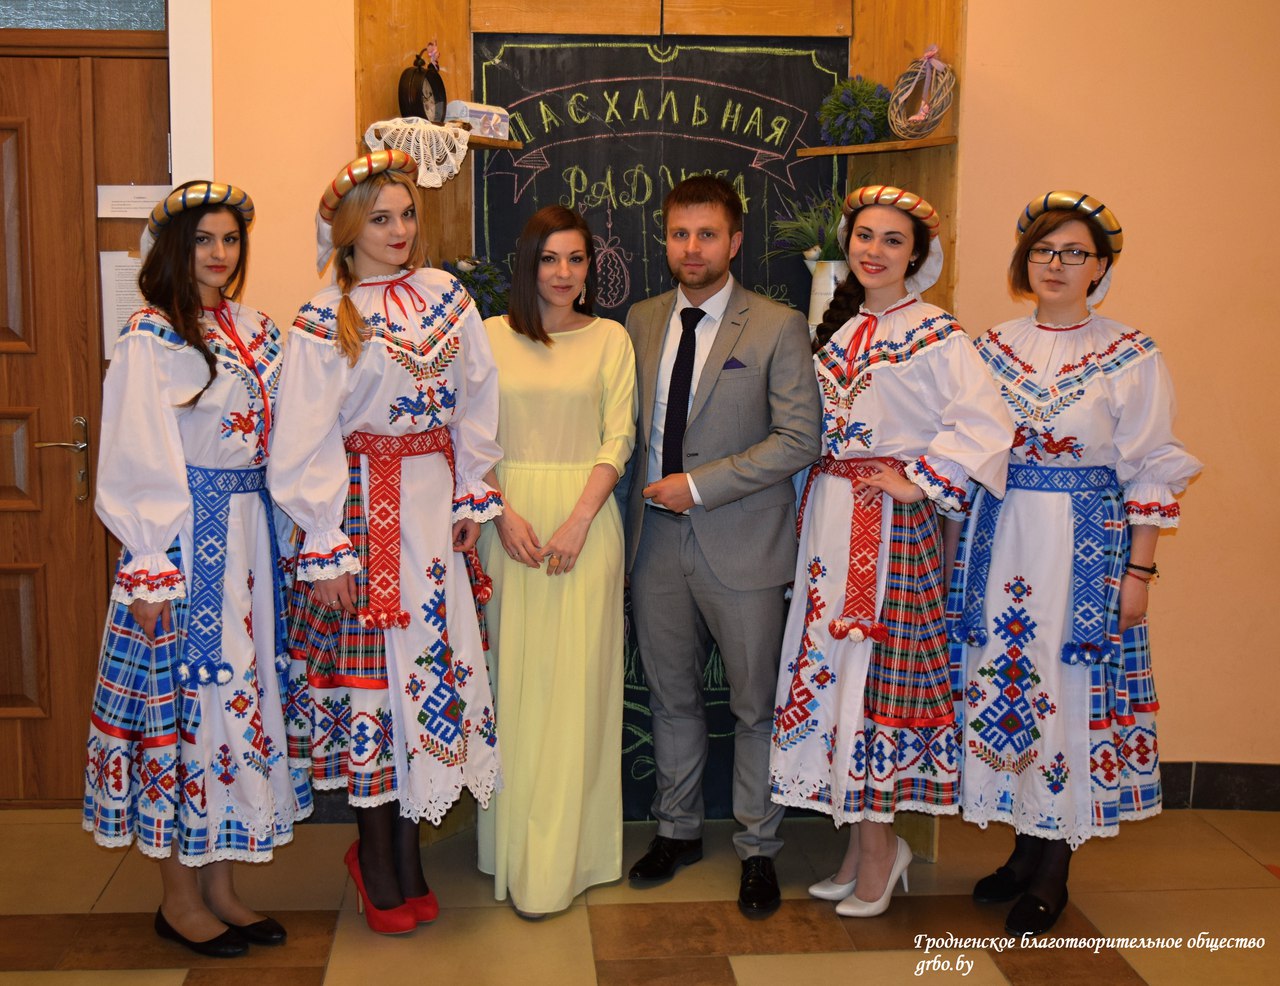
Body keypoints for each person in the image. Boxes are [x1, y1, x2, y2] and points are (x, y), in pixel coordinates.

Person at [947, 191, 1201, 935]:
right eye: (1042, 250)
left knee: (1066, 685)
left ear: (1100, 268)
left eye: (1073, 253)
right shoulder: (991, 347)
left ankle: (1053, 865)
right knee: (1007, 682)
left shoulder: (1130, 354)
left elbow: (1150, 467)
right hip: (1001, 539)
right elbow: (965, 446)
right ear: (1024, 261)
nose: (1055, 264)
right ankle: (1023, 847)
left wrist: (1139, 573)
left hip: (1083, 549)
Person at [267, 150, 503, 935]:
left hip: (432, 514)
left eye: (406, 215)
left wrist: (472, 489)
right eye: (380, 219)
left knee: (427, 680)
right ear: (348, 229)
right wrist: (325, 543)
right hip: (364, 515)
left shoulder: (447, 297)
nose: (399, 231)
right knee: (376, 686)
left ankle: (408, 854)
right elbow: (302, 440)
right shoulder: (322, 318)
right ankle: (375, 858)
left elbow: (478, 396)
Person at [770, 185, 1013, 919]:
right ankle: (860, 846)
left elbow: (985, 422)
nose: (873, 251)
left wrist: (919, 482)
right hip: (831, 518)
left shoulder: (936, 331)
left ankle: (880, 851)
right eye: (864, 236)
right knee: (833, 672)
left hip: (889, 530)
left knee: (872, 676)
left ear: (917, 256)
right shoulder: (839, 329)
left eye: (892, 240)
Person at [83, 181, 308, 958]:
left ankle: (222, 888)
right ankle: (178, 900)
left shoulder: (256, 329)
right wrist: (148, 562)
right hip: (183, 545)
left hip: (251, 547)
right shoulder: (150, 336)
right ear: (178, 249)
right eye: (205, 240)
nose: (220, 253)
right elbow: (134, 449)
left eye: (231, 239)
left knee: (236, 709)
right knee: (183, 712)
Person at [621, 174, 822, 918]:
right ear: (665, 239)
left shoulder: (776, 325)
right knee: (670, 696)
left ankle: (758, 847)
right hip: (652, 544)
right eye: (680, 234)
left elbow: (799, 438)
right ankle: (676, 830)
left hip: (743, 544)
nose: (692, 248)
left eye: (707, 234)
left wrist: (700, 486)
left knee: (753, 705)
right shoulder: (639, 320)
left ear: (734, 242)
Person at [476, 205, 636, 917]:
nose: (564, 273)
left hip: (585, 526)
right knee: (513, 687)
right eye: (550, 258)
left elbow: (618, 438)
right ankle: (513, 853)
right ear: (528, 264)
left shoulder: (610, 339)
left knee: (578, 691)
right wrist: (501, 512)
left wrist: (579, 520)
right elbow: (472, 436)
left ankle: (571, 859)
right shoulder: (487, 336)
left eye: (576, 259)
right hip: (508, 525)